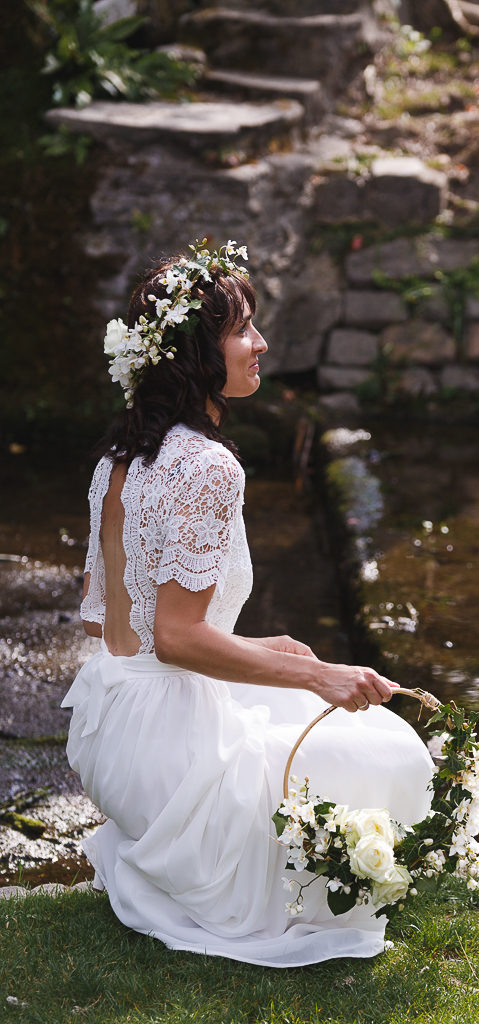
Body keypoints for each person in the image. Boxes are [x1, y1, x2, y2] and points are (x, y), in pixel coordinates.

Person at [61, 241, 434, 968]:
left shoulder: (119, 455)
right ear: (195, 353)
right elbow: (175, 640)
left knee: (317, 719)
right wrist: (319, 677)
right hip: (173, 753)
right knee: (386, 746)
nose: (260, 344)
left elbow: (111, 625)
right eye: (242, 330)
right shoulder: (206, 466)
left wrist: (268, 650)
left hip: (114, 733)